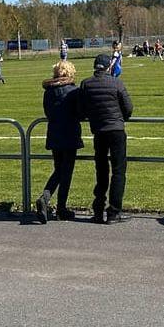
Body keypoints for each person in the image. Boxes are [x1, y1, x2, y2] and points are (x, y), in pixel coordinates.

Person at [79, 54, 132, 223]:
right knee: (118, 171)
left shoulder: (86, 84)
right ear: (109, 67)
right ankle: (114, 212)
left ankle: (98, 209)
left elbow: (82, 108)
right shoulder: (117, 82)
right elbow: (128, 108)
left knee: (101, 170)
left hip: (99, 131)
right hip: (116, 130)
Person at [35, 59, 82, 223]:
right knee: (66, 172)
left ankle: (46, 199)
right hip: (70, 134)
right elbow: (79, 112)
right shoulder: (73, 91)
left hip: (54, 133)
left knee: (58, 169)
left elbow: (48, 112)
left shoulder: (48, 92)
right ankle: (58, 206)